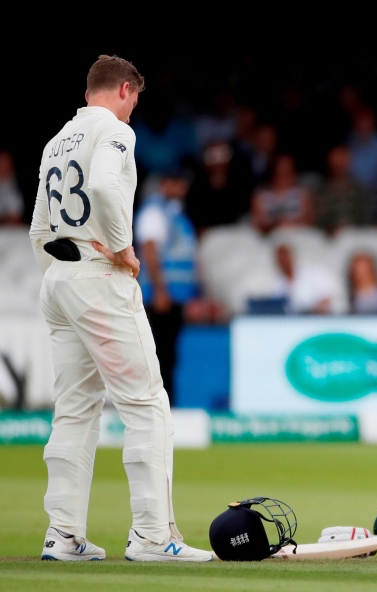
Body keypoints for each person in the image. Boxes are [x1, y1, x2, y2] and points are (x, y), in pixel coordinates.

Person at [27, 55, 213, 562]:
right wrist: (121, 248)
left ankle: (63, 536)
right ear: (126, 90)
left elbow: (38, 228)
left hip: (59, 280)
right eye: (135, 101)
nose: (132, 112)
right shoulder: (113, 130)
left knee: (74, 411)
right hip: (98, 278)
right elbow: (108, 187)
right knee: (146, 405)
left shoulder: (55, 141)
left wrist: (61, 269)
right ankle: (153, 537)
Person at [135, 170, 197, 404]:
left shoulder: (175, 213)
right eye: (178, 182)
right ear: (165, 184)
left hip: (175, 295)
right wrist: (160, 291)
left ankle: (166, 407)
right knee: (158, 355)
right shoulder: (154, 212)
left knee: (168, 356)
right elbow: (149, 252)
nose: (183, 188)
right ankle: (157, 408)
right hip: (160, 297)